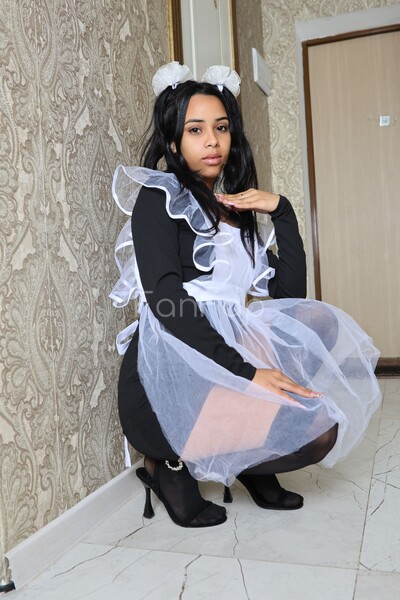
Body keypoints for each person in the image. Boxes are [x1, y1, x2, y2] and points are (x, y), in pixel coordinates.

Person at [110, 62, 381, 528]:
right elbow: (167, 302)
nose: (212, 141)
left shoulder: (234, 211)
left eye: (221, 128)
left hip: (228, 356)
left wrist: (283, 212)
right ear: (173, 142)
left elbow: (289, 296)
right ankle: (167, 466)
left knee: (318, 352)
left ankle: (249, 462)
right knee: (309, 429)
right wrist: (248, 372)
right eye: (195, 130)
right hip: (174, 367)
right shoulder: (159, 199)